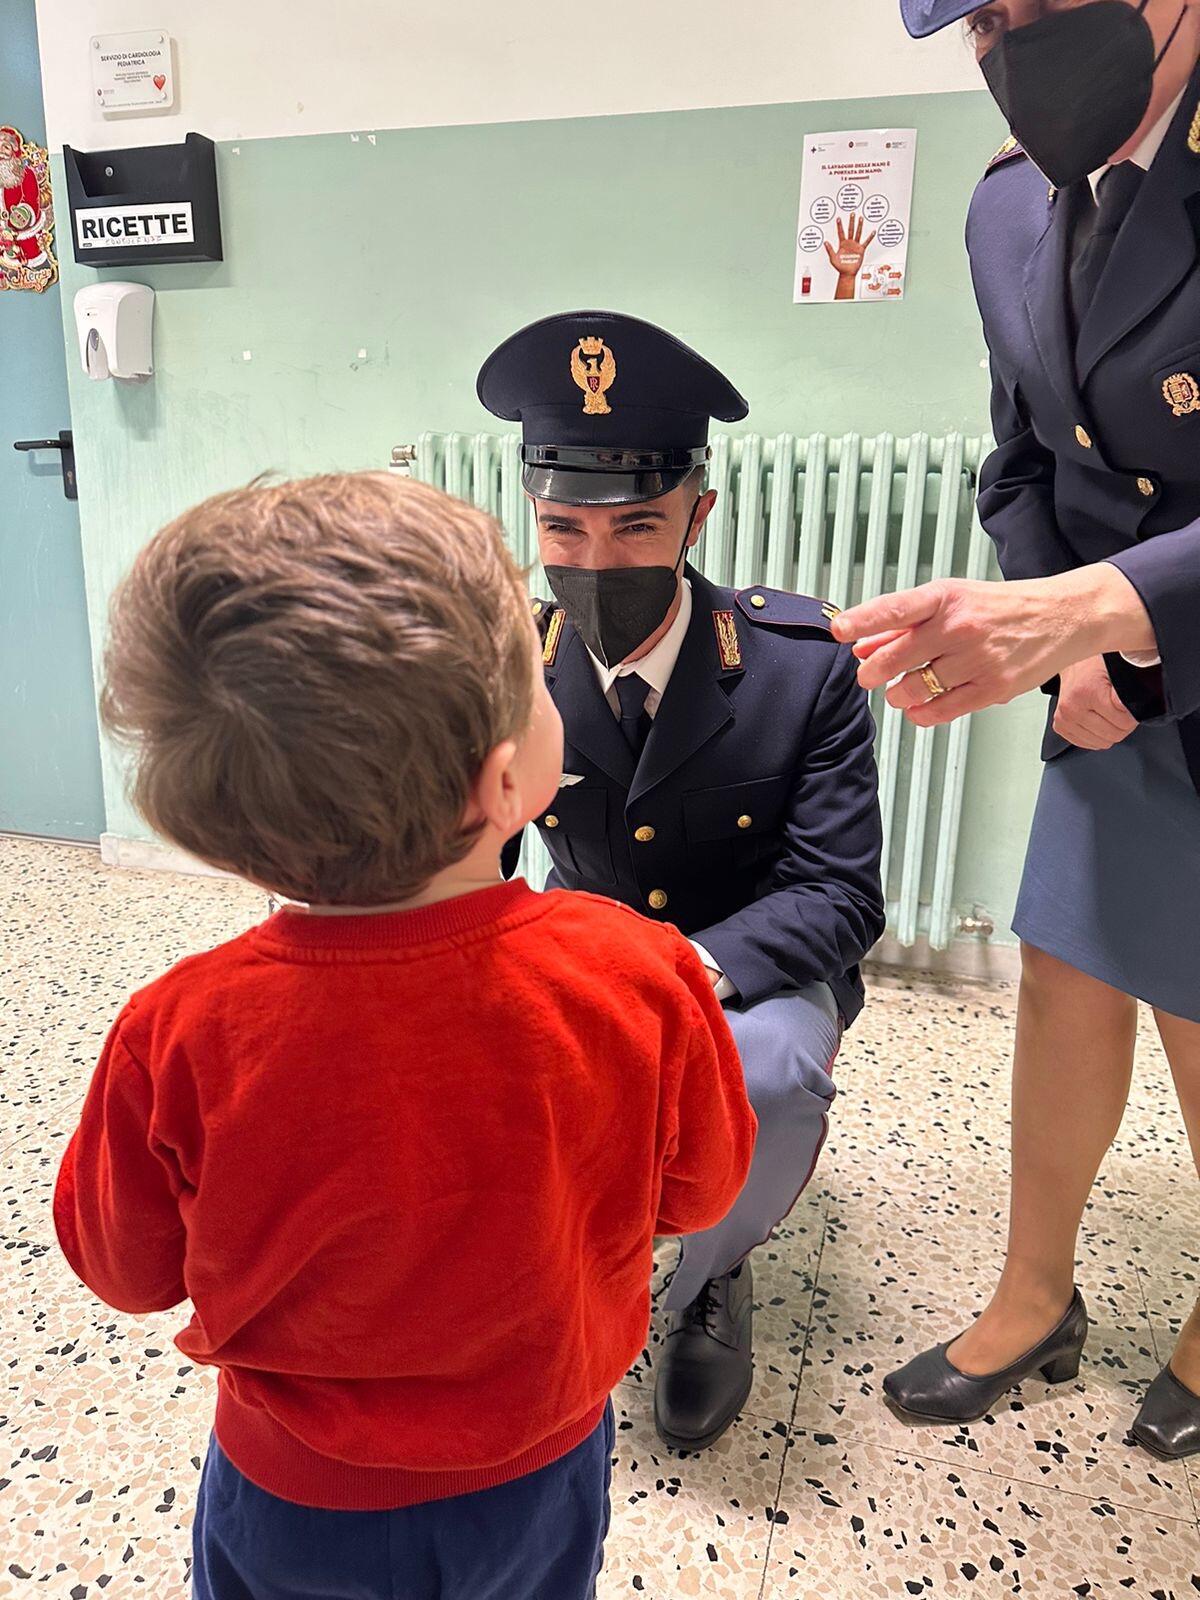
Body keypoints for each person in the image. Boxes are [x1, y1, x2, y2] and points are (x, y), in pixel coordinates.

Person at [52, 472, 757, 1600]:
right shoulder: (638, 972)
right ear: (506, 781)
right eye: (537, 670)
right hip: (536, 1472)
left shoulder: (177, 1031)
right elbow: (703, 1189)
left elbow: (125, 1268)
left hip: (290, 1494)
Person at [830, 0, 1200, 1462]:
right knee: (1064, 971)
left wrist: (1093, 615)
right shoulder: (1006, 211)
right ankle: (1035, 1295)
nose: (1016, 35)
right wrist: (1069, 653)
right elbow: (1023, 455)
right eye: (984, 13)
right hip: (1106, 687)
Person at [478, 310, 885, 1452]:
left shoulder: (799, 670)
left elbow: (843, 894)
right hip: (584, 934)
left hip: (754, 962)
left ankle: (715, 1270)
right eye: (564, 526)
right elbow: (479, 848)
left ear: (699, 512)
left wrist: (684, 971)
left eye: (637, 525)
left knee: (775, 1076)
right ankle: (569, 1253)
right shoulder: (514, 659)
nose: (597, 559)